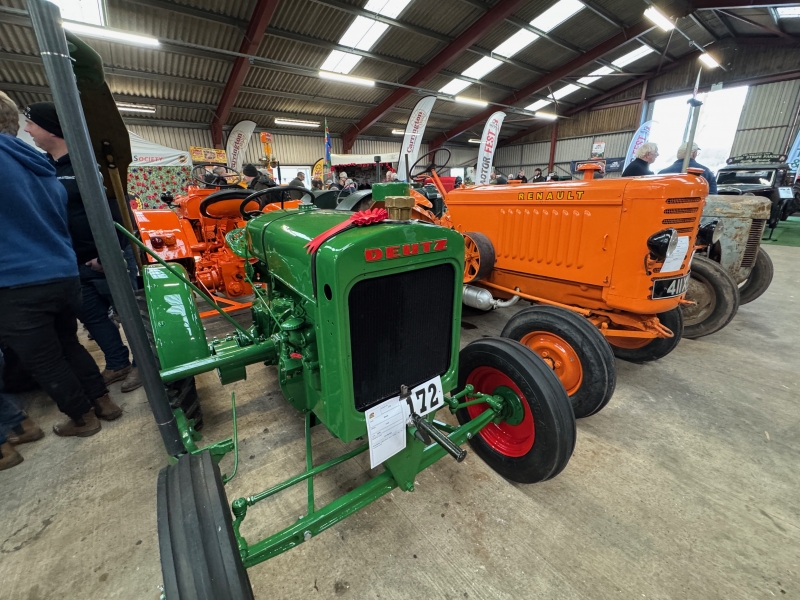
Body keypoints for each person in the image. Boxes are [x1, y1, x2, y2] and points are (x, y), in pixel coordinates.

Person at [0, 91, 117, 437]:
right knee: (69, 344)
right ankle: (103, 401)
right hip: (61, 271)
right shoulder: (36, 164)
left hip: (18, 278)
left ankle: (82, 418)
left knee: (44, 359)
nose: (29, 129)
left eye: (33, 124)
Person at [24, 101, 139, 396]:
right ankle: (117, 362)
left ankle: (143, 363)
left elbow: (118, 209)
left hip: (106, 257)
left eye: (32, 124)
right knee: (92, 317)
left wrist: (109, 254)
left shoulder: (90, 165)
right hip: (72, 261)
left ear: (51, 129)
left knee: (130, 314)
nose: (27, 130)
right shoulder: (44, 168)